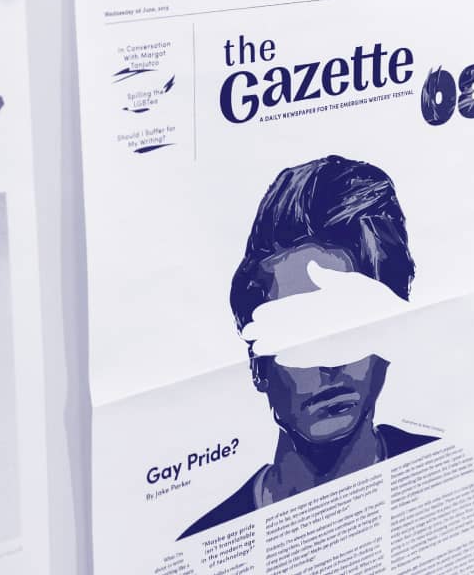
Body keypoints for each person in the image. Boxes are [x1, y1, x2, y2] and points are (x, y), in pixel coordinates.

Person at [180, 156, 434, 539]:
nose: (330, 363)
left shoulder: (441, 468)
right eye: (297, 333)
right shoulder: (207, 542)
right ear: (257, 365)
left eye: (351, 326)